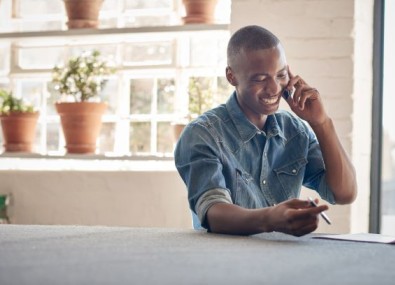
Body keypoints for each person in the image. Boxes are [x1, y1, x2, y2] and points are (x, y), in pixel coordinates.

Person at [174, 25, 357, 236]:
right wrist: (272, 219)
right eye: (260, 79)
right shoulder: (202, 134)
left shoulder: (295, 131)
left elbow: (344, 194)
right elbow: (213, 212)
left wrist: (322, 122)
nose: (274, 89)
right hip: (225, 262)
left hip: (282, 260)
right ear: (231, 76)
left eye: (280, 75)